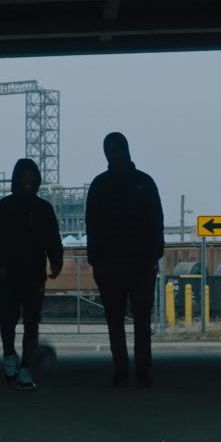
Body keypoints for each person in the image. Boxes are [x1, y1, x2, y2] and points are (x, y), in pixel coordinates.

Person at [86, 132, 164, 388]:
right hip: (128, 264)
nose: (114, 153)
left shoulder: (102, 185)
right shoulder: (142, 182)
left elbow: (156, 223)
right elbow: (155, 222)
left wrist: (96, 261)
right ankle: (138, 370)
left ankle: (128, 370)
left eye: (116, 148)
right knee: (133, 319)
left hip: (128, 264)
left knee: (122, 319)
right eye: (111, 149)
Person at [0, 158, 64, 391]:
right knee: (7, 322)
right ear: (16, 179)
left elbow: (53, 238)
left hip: (34, 275)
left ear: (37, 179)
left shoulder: (44, 209)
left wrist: (56, 261)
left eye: (32, 176)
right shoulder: (2, 208)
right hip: (8, 275)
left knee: (32, 323)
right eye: (24, 176)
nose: (28, 181)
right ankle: (10, 356)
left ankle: (26, 369)